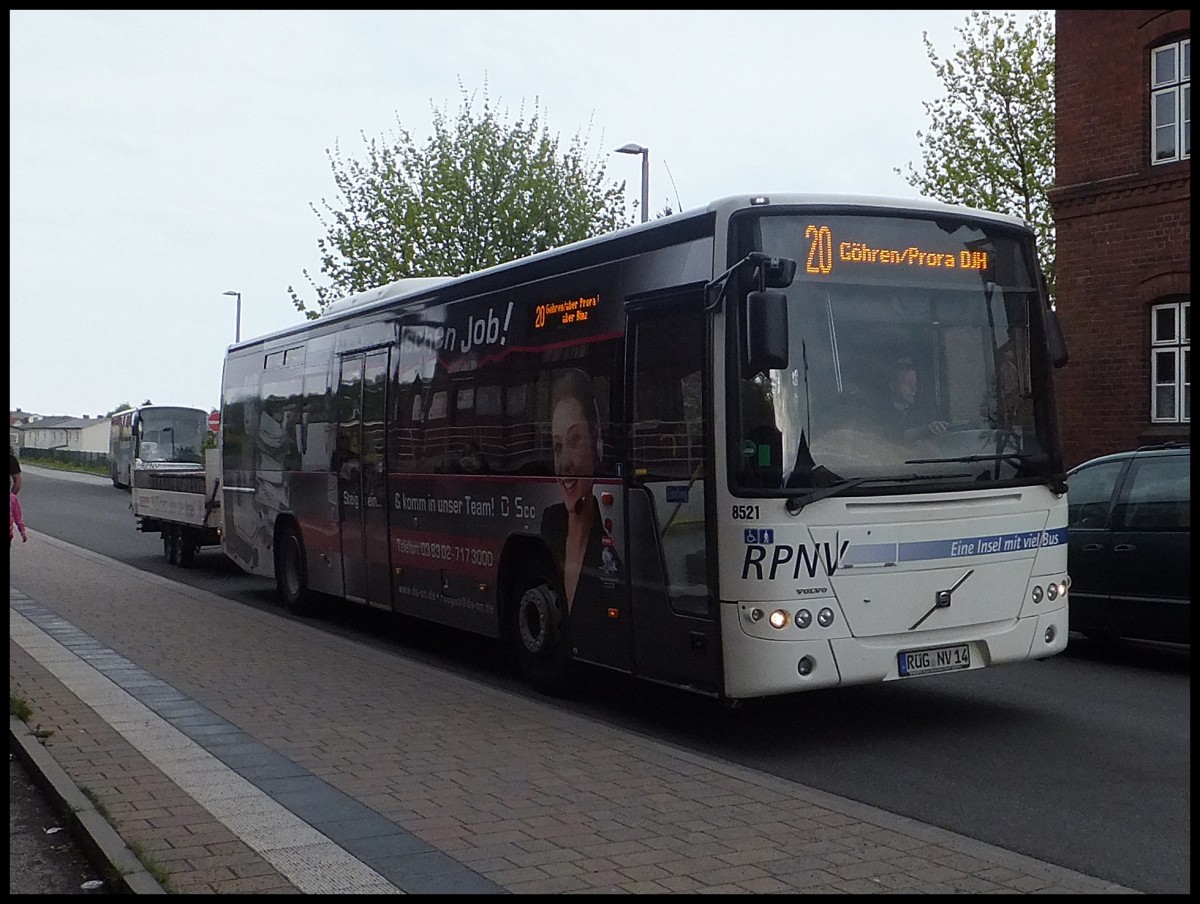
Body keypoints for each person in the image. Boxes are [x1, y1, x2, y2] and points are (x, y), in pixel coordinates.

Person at [539, 368, 622, 614]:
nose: (564, 463)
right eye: (557, 446)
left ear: (595, 436)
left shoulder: (611, 539)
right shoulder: (549, 523)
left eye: (574, 440)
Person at [878, 357, 948, 441]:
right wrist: (925, 430)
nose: (914, 389)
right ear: (893, 385)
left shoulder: (922, 411)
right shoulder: (880, 412)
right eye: (908, 384)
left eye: (915, 384)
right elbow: (895, 435)